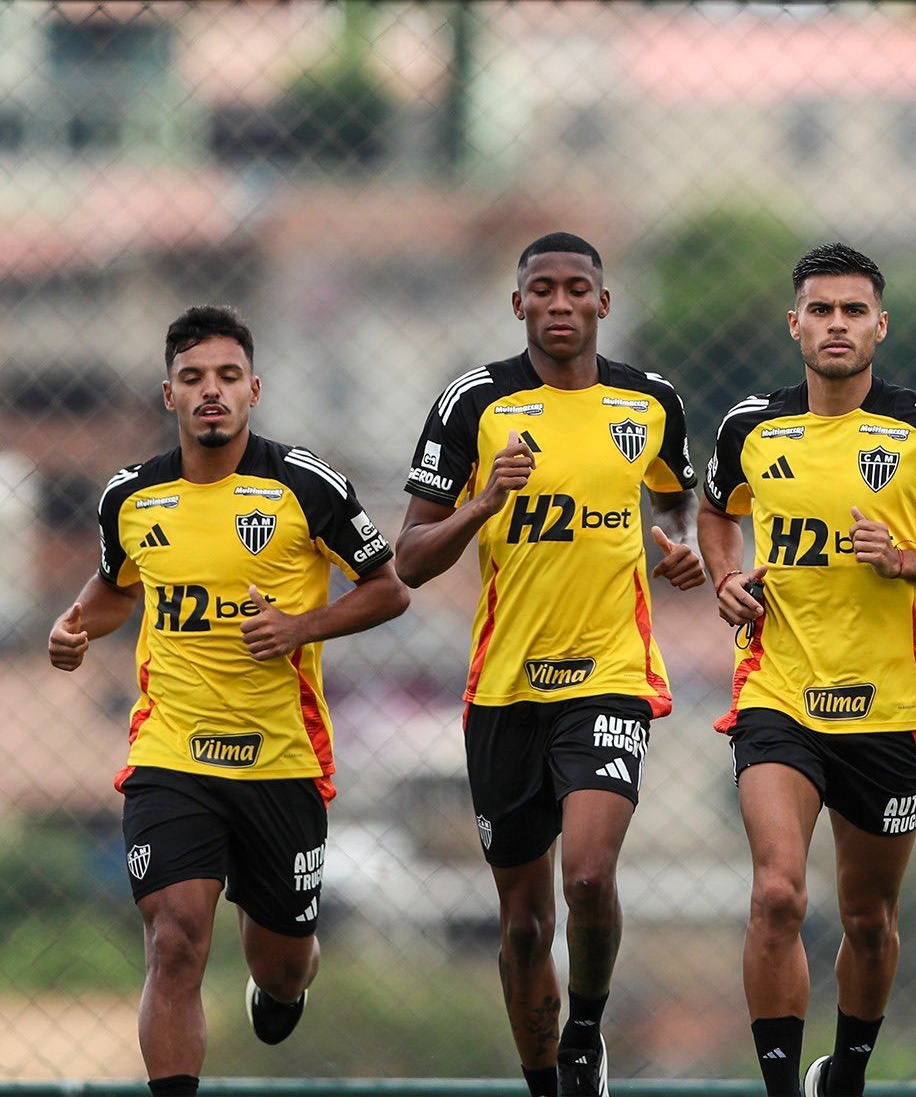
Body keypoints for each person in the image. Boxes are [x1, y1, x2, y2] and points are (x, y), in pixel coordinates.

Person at [48, 305, 410, 1097]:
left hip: (281, 758)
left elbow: (389, 592)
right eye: (191, 379)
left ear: (254, 389)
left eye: (226, 377)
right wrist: (75, 628)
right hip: (171, 752)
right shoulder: (132, 497)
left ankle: (282, 980)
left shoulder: (304, 485)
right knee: (174, 941)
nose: (210, 392)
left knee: (280, 965)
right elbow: (111, 592)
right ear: (168, 397)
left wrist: (302, 625)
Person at [395, 232, 705, 1097]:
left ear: (604, 304)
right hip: (505, 691)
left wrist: (680, 550)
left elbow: (677, 503)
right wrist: (486, 501)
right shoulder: (475, 403)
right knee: (526, 927)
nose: (560, 304)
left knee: (590, 873)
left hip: (610, 672)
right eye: (543, 290)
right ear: (519, 304)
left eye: (578, 289)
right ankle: (550, 1086)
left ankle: (587, 1033)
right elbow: (410, 560)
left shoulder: (649, 403)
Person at [697, 243, 916, 1097]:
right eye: (821, 309)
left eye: (854, 310)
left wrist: (904, 560)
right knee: (778, 897)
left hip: (889, 707)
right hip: (779, 695)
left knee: (868, 919)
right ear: (794, 321)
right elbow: (717, 511)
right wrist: (725, 577)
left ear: (881, 324)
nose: (837, 324)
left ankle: (849, 1075)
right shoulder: (750, 425)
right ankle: (780, 1086)